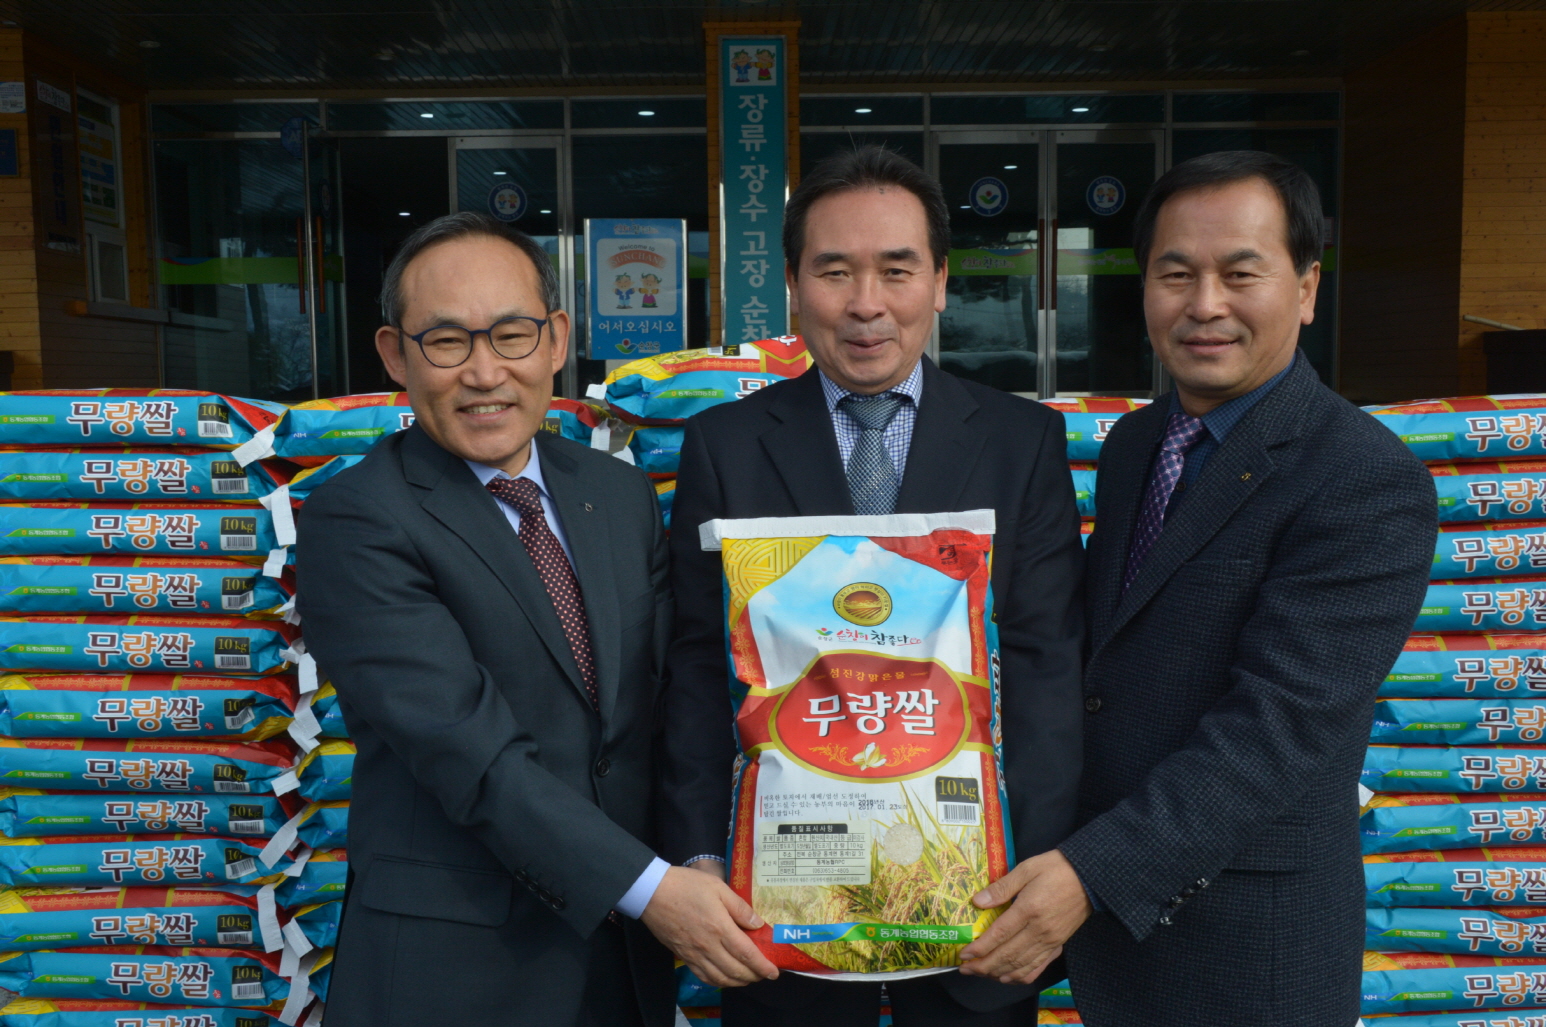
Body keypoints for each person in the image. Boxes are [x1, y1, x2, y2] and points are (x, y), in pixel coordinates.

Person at [958, 151, 1437, 1025]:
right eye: (1175, 273)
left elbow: (1278, 728)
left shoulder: (1362, 478)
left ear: (1306, 288)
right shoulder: (1138, 445)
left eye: (1240, 273)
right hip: (1118, 939)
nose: (1204, 304)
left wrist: (1091, 872)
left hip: (1248, 948)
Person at [296, 212, 773, 1027]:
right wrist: (654, 888)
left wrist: (708, 852)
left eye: (511, 335)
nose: (485, 372)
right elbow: (470, 755)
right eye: (447, 341)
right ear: (395, 355)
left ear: (555, 340)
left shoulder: (616, 494)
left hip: (623, 966)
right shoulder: (359, 519)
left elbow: (665, 706)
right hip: (459, 974)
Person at [660, 145, 1085, 1025]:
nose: (866, 303)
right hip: (784, 912)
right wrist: (699, 857)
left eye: (897, 270)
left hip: (977, 909)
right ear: (792, 284)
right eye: (834, 272)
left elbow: (1045, 664)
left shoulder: (1021, 441)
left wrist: (1041, 868)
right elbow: (698, 668)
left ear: (940, 282)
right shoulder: (725, 447)